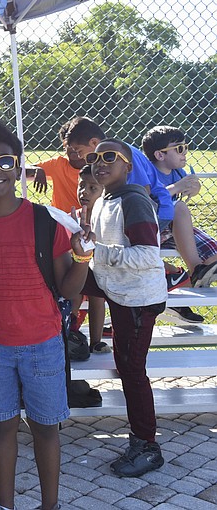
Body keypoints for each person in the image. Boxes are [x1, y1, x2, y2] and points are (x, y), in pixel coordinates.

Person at [0, 122, 93, 510]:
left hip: (44, 344)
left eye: (4, 161)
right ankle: (6, 505)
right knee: (3, 427)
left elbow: (68, 291)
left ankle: (50, 505)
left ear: (18, 168)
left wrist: (82, 257)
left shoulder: (46, 222)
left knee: (47, 428)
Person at [82, 139, 167, 478]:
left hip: (137, 299)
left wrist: (95, 251)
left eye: (109, 157)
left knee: (132, 370)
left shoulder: (133, 201)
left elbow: (147, 255)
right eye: (94, 158)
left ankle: (147, 445)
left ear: (127, 166)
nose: (99, 163)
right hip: (115, 289)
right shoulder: (106, 197)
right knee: (59, 278)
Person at [62, 117, 217, 290]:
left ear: (94, 142)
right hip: (149, 217)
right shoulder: (113, 156)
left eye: (79, 150)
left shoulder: (123, 154)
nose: (78, 156)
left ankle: (181, 275)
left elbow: (143, 192)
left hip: (154, 215)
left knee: (143, 249)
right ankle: (175, 278)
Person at [142, 125, 217, 321]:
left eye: (185, 147)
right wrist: (177, 188)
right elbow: (145, 200)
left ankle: (178, 292)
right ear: (160, 155)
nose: (185, 152)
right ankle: (195, 269)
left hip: (174, 228)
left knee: (214, 256)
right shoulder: (148, 172)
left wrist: (195, 187)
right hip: (152, 226)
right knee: (180, 208)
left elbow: (188, 187)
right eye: (179, 148)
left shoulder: (178, 172)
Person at [75, 166, 110, 354]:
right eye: (81, 185)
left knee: (97, 292)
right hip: (76, 267)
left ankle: (96, 341)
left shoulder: (106, 217)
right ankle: (70, 331)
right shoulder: (73, 216)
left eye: (92, 188)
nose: (84, 192)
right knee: (73, 289)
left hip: (99, 268)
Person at [28, 120, 85, 213]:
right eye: (70, 144)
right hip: (60, 220)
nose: (74, 148)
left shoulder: (96, 166)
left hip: (87, 219)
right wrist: (36, 169)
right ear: (64, 145)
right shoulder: (58, 164)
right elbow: (22, 168)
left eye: (78, 144)